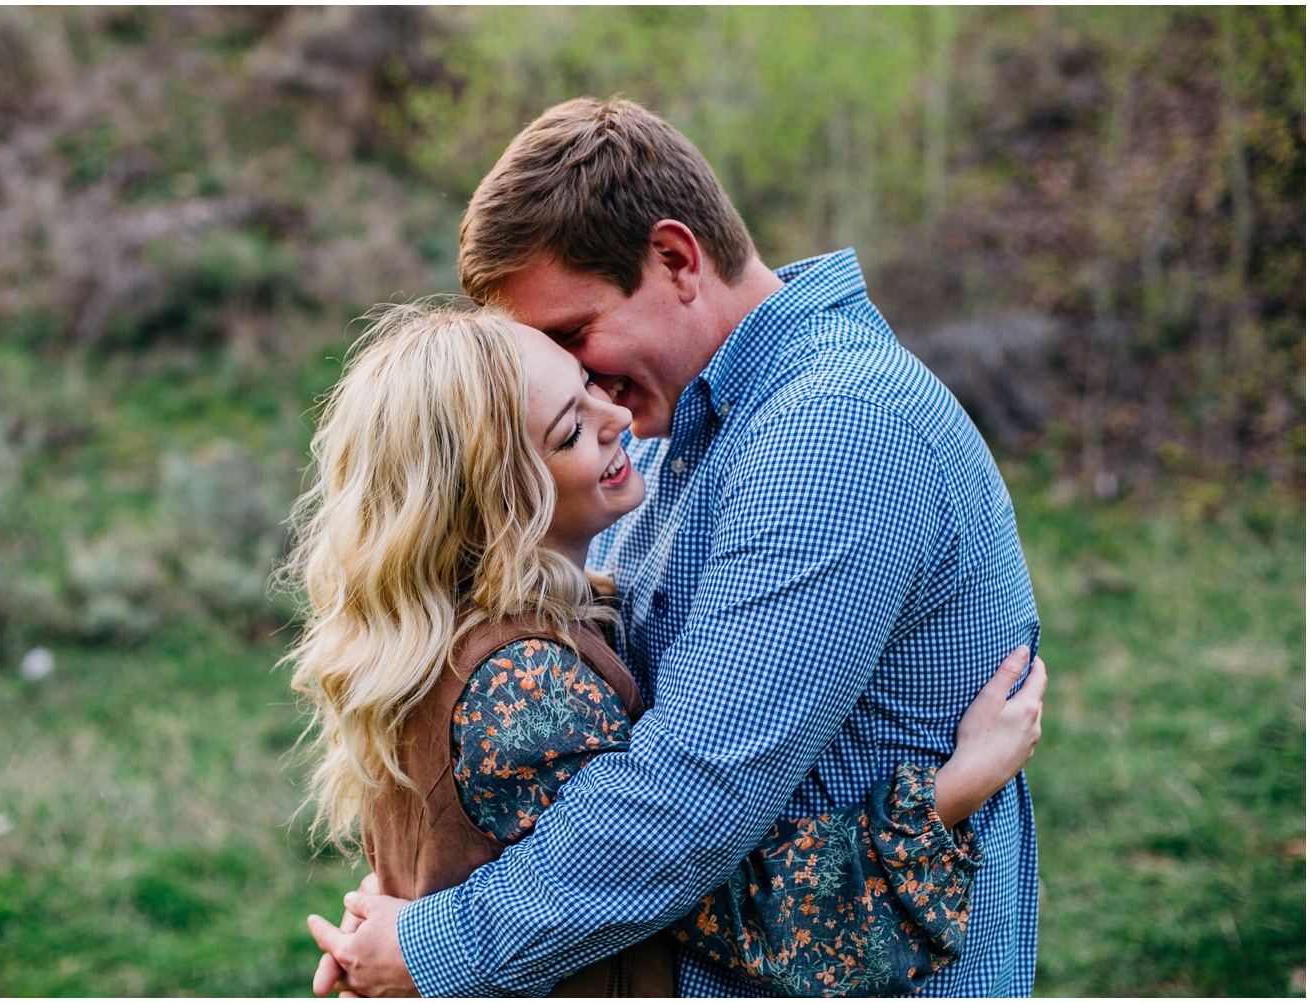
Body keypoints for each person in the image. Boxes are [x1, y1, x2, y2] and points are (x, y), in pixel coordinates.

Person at [313, 96, 1044, 998]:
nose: (591, 392)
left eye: (574, 337)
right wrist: (418, 895)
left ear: (675, 258)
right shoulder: (669, 426)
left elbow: (688, 795)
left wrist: (434, 941)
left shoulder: (839, 433)